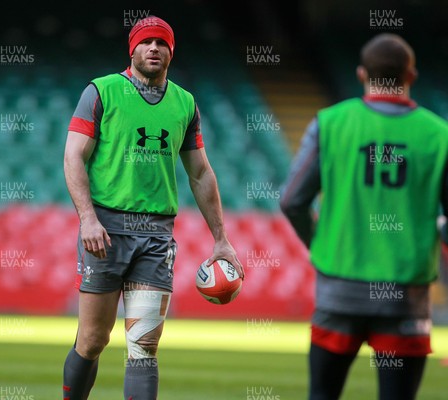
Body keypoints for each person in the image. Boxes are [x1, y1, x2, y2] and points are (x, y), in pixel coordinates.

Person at [62, 15, 244, 400]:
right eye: (146, 43)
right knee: (93, 340)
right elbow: (73, 157)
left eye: (162, 43)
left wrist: (222, 239)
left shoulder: (185, 103)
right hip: (105, 233)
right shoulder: (101, 91)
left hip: (156, 237)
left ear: (171, 52)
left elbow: (201, 173)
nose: (154, 48)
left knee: (143, 348)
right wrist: (88, 220)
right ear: (133, 49)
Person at [280, 33, 448, 400]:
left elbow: (292, 200)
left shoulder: (330, 123)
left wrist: (320, 242)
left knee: (323, 395)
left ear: (361, 74)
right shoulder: (440, 135)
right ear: (412, 76)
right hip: (405, 295)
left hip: (339, 291)